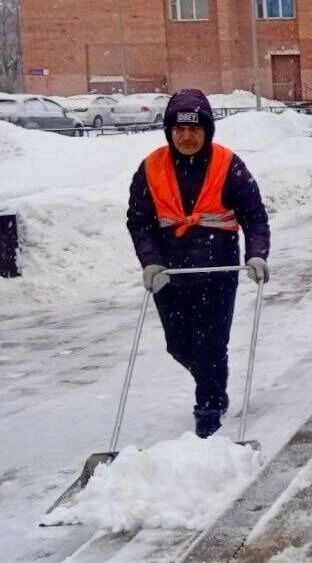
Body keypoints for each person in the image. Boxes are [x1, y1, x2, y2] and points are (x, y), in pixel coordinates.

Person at [125, 89, 270, 438]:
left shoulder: (228, 165)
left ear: (207, 131)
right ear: (169, 131)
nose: (186, 137)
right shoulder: (150, 168)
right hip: (170, 273)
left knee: (210, 344)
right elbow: (139, 221)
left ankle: (209, 411)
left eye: (194, 129)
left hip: (217, 270)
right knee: (178, 345)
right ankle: (212, 379)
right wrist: (151, 262)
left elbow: (254, 216)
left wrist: (256, 254)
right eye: (179, 129)